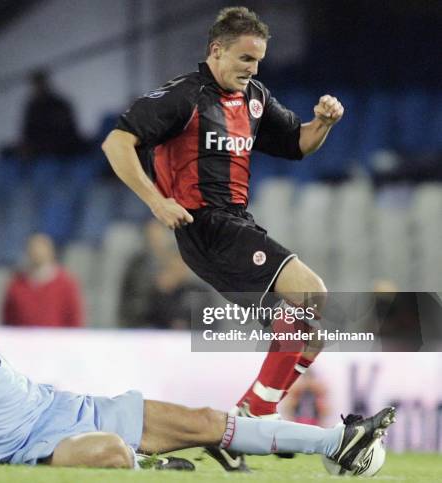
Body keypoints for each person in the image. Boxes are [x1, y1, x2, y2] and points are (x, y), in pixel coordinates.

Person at [0, 137, 394, 474]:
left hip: (71, 407)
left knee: (208, 421)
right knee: (111, 455)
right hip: (40, 447)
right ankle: (145, 462)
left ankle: (339, 443)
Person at [102, 6, 343, 431]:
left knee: (309, 334)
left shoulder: (255, 99)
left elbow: (298, 142)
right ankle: (256, 411)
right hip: (206, 226)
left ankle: (254, 413)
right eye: (244, 59)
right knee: (312, 293)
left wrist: (322, 123)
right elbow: (117, 144)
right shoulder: (183, 96)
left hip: (236, 222)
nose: (252, 69)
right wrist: (157, 201)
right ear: (216, 50)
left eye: (258, 61)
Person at [2, 233, 84, 327]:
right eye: (34, 248)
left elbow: (74, 318)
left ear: (51, 251)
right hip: (23, 339)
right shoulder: (16, 284)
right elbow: (8, 318)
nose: (37, 252)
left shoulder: (66, 283)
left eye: (41, 248)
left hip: (56, 339)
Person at [19, 70, 85, 159]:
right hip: (39, 148)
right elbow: (27, 132)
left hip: (61, 147)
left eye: (40, 84)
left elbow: (68, 130)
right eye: (35, 85)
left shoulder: (59, 104)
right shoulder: (32, 108)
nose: (38, 88)